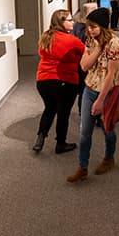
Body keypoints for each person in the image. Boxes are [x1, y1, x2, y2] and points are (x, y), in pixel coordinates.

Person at [67, 8, 119, 183]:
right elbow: (84, 66)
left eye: (94, 26)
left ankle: (109, 158)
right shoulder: (92, 41)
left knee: (108, 129)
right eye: (89, 27)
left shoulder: (115, 43)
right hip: (89, 88)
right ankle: (82, 167)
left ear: (103, 26)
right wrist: (98, 48)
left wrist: (100, 101)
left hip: (107, 92)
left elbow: (110, 74)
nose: (90, 30)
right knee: (85, 131)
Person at [32, 10, 85, 154]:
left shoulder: (46, 37)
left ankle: (40, 138)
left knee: (49, 109)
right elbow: (86, 55)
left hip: (43, 81)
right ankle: (60, 144)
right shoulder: (72, 40)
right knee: (63, 113)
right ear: (61, 23)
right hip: (65, 81)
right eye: (69, 20)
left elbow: (42, 54)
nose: (73, 22)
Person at [72, 2, 97, 112]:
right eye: (94, 10)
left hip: (85, 63)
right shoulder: (82, 29)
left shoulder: (81, 25)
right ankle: (85, 114)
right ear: (86, 13)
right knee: (85, 89)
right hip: (83, 64)